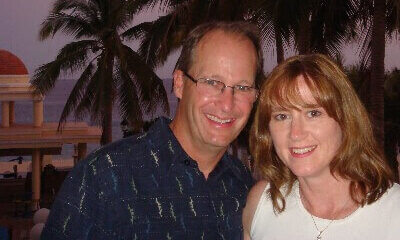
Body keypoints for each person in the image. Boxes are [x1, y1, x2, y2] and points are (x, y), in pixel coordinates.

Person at [41, 21, 265, 240]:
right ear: (179, 84)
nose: (227, 103)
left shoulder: (246, 189)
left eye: (243, 87)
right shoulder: (104, 178)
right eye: (212, 82)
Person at [243, 54, 400, 240]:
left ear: (345, 121)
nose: (296, 133)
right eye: (282, 116)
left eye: (313, 113)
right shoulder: (262, 206)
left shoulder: (393, 213)